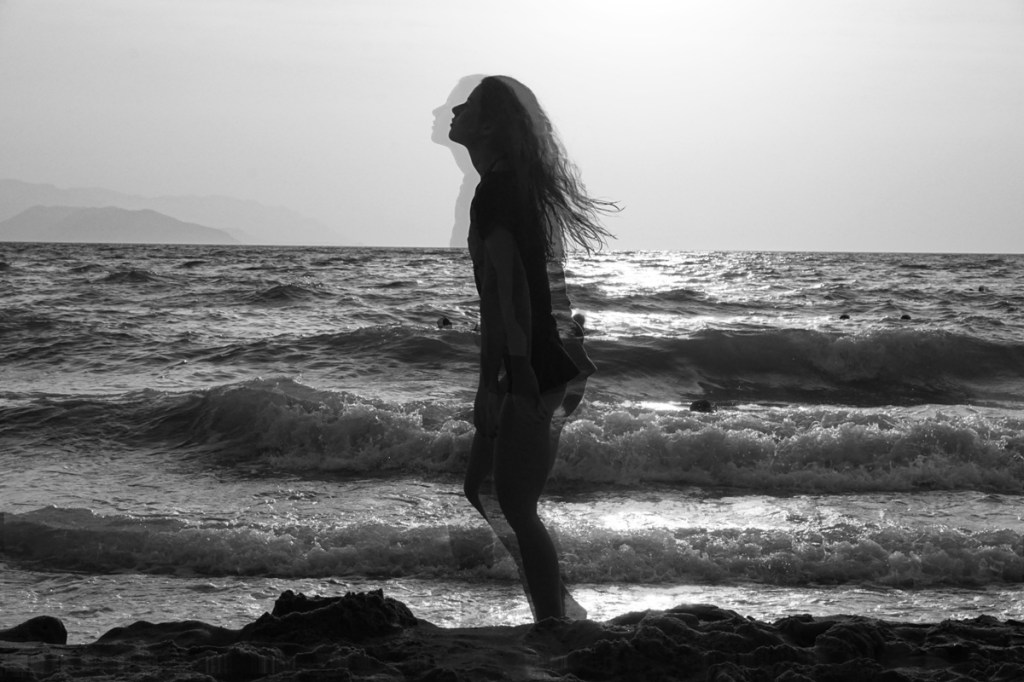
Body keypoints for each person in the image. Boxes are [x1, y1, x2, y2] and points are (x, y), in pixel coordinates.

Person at [447, 75, 614, 620]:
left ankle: (553, 623)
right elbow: (505, 294)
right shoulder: (504, 185)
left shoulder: (497, 191)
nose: (453, 110)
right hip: (525, 362)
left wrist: (507, 379)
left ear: (489, 126)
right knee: (482, 487)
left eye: (468, 105)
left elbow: (513, 291)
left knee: (514, 504)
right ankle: (556, 606)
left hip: (530, 365)